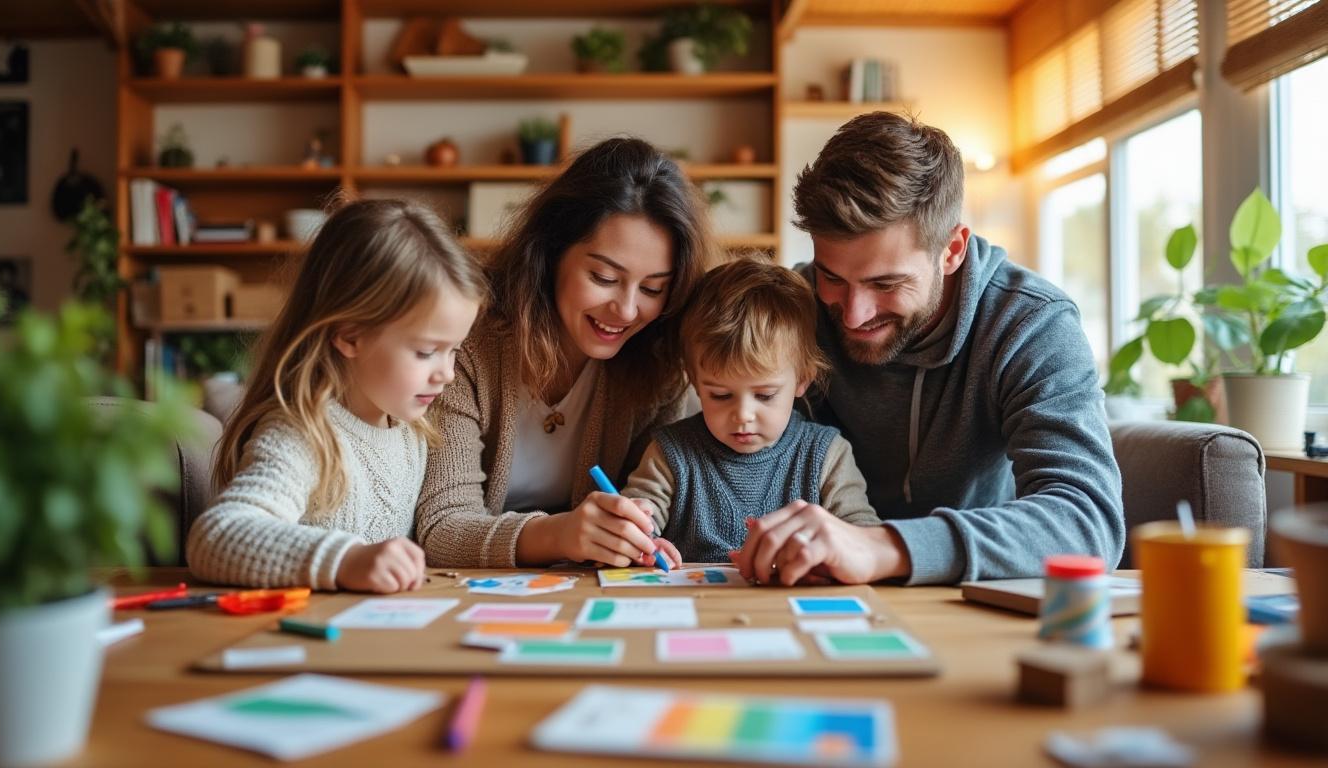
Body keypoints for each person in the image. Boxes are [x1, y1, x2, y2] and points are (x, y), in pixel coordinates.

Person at [732, 112, 1124, 587]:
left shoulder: (1030, 323)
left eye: (886, 283)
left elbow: (1086, 522)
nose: (853, 314)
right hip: (808, 589)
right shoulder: (792, 309)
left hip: (967, 593)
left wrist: (884, 547)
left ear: (953, 249)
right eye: (832, 277)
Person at [417, 136, 718, 568]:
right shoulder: (467, 340)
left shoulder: (661, 366)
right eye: (603, 276)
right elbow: (441, 527)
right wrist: (561, 534)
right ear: (552, 252)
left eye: (653, 288)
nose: (628, 310)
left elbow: (657, 508)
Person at [187, 199, 486, 592]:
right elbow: (216, 537)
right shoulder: (303, 432)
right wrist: (345, 559)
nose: (447, 373)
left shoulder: (410, 428)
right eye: (426, 351)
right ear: (349, 335)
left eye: (455, 350)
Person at [620, 257, 881, 565]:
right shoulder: (670, 453)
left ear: (802, 379)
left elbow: (863, 534)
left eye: (765, 395)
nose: (743, 414)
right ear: (694, 381)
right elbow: (637, 514)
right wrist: (640, 539)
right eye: (720, 395)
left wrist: (834, 550)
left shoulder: (826, 456)